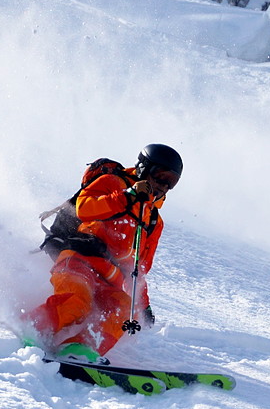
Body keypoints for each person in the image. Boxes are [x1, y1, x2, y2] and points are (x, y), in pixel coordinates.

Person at [27, 144, 182, 363]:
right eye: (160, 175)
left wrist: (143, 304)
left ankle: (79, 349)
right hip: (80, 259)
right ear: (143, 168)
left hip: (111, 278)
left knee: (123, 310)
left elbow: (139, 268)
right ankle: (30, 328)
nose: (163, 185)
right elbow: (84, 208)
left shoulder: (153, 220)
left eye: (171, 181)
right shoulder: (112, 183)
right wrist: (126, 197)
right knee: (77, 302)